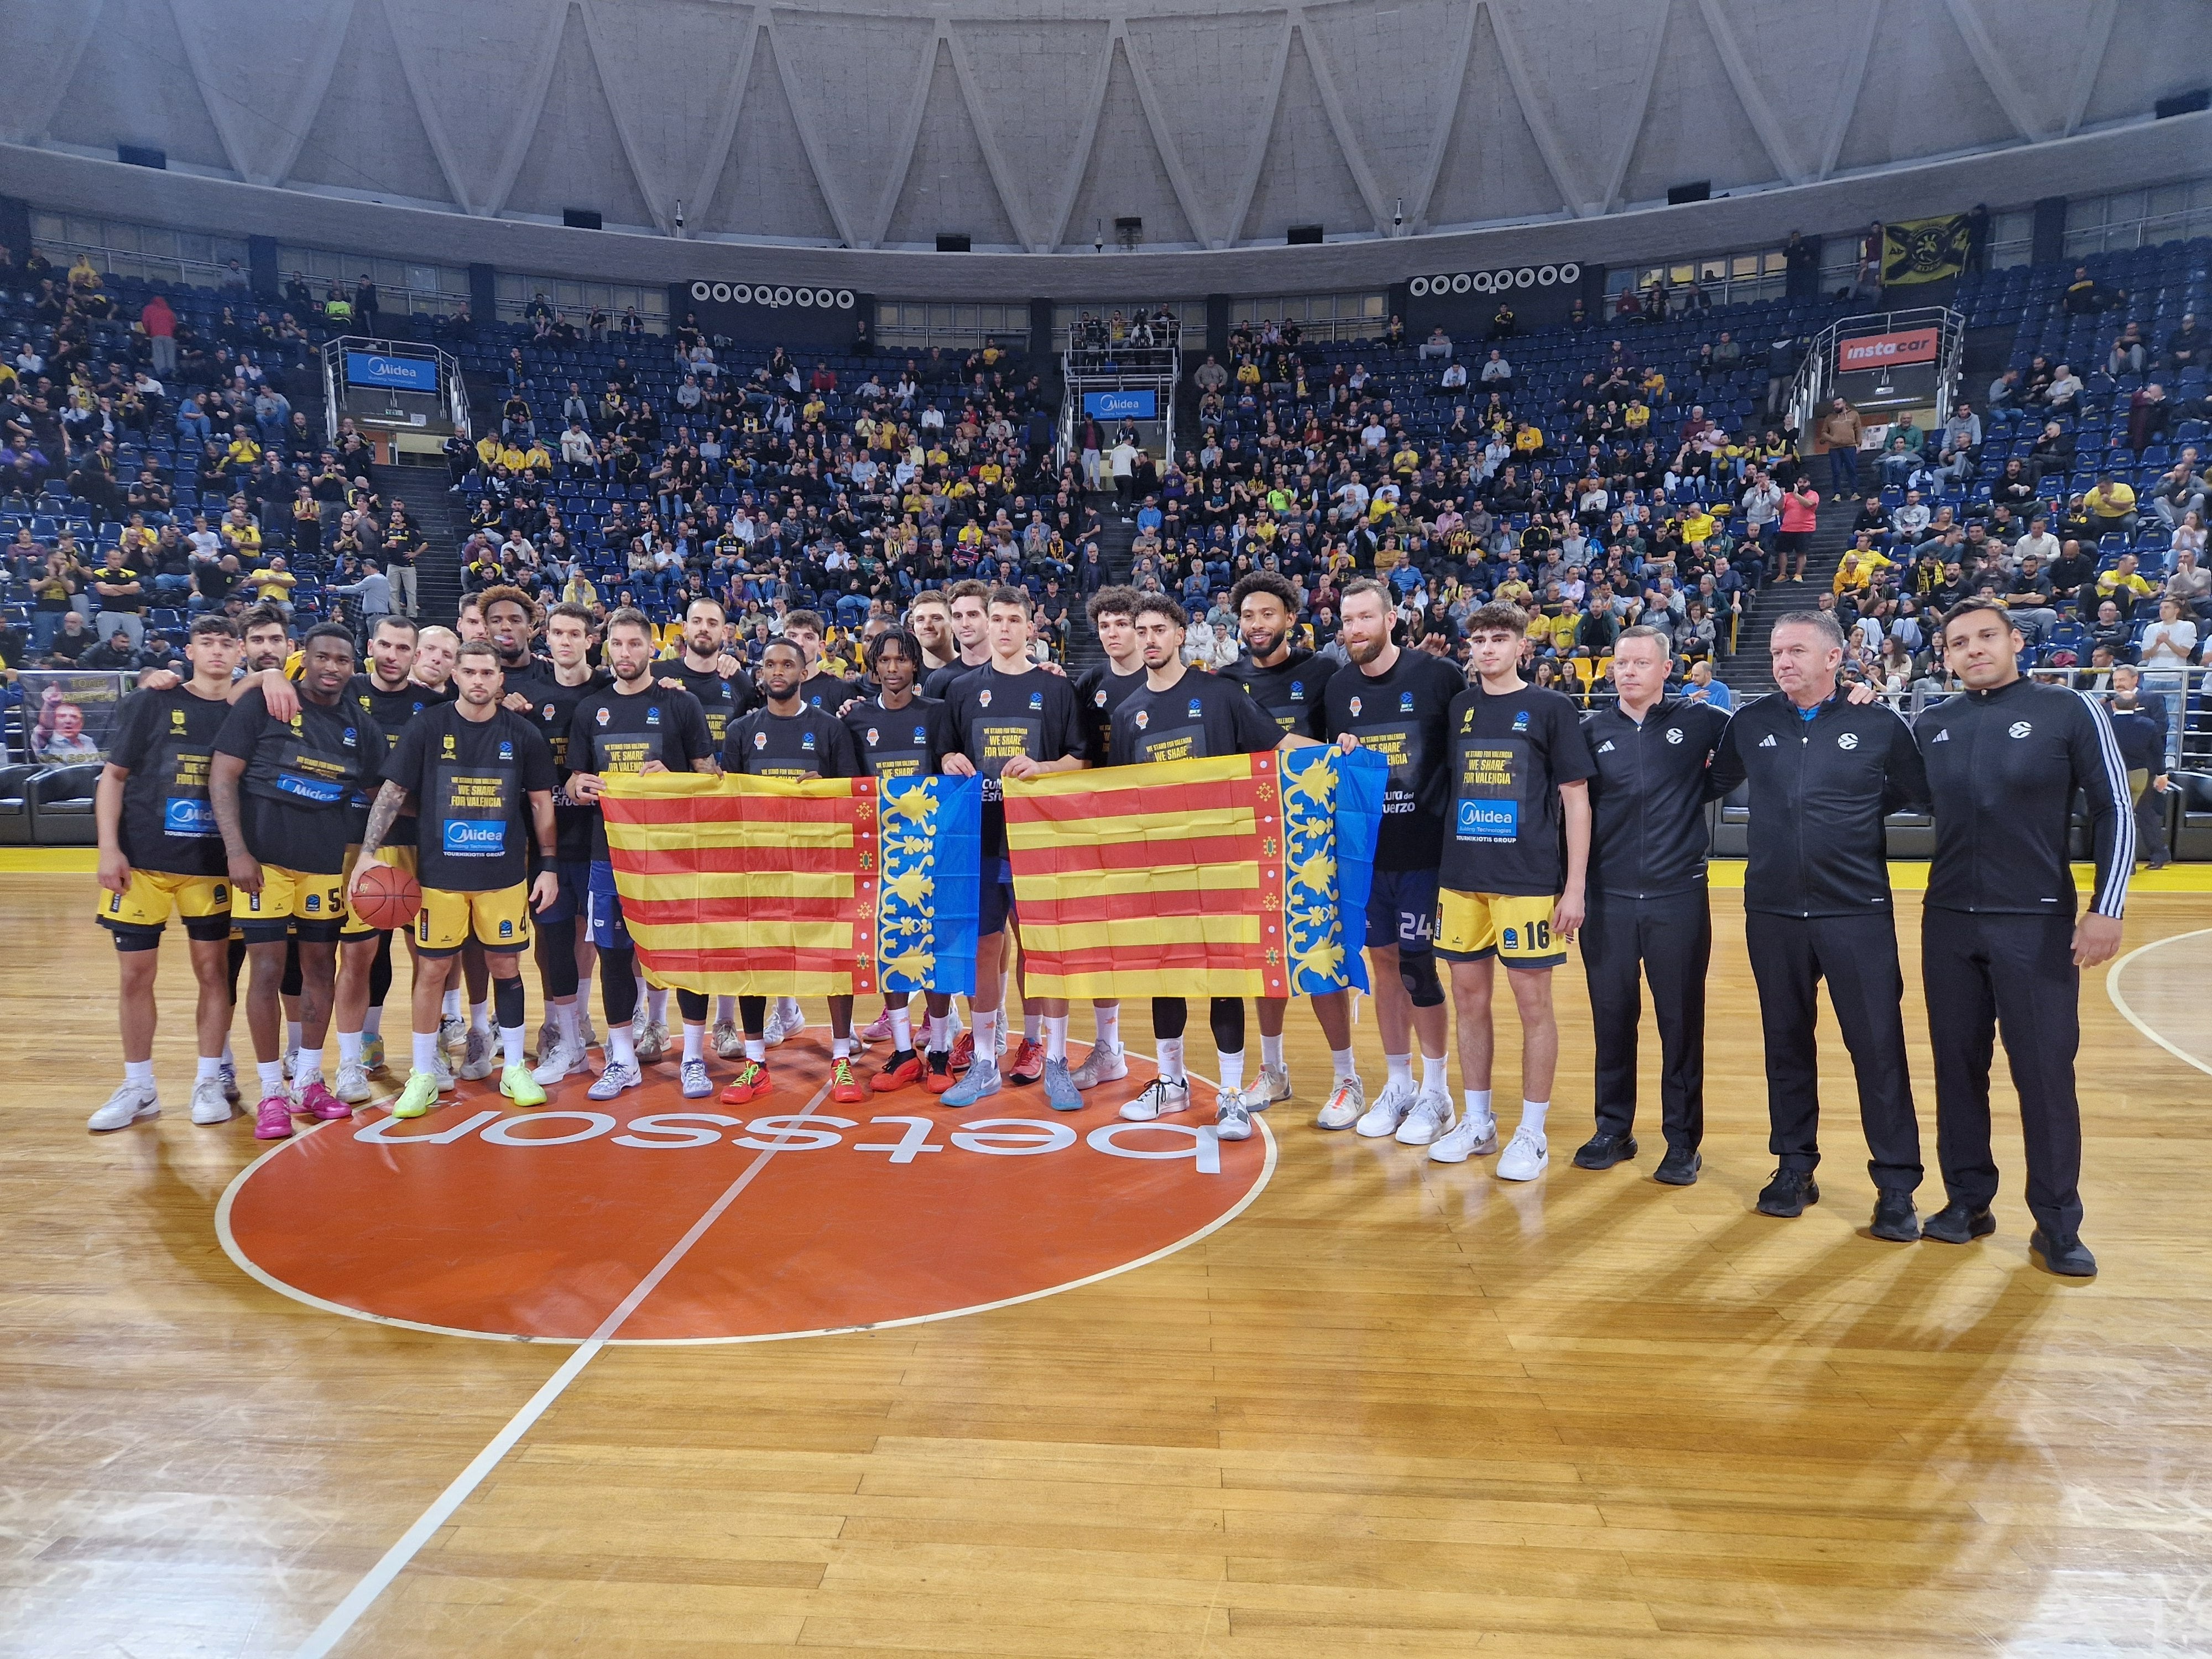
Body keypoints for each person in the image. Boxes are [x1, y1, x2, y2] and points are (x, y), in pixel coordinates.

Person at [1913, 599, 2132, 1278]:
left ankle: (2057, 1223)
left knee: (2042, 1076)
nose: (1973, 649)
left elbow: (2114, 806)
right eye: (1959, 642)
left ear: (2014, 641)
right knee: (1957, 1069)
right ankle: (1967, 1201)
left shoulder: (2068, 711)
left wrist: (2107, 905)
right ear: (1945, 656)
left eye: (1986, 637)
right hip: (1947, 920)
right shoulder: (1931, 724)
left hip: (2034, 923)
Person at [1708, 612, 1929, 1238]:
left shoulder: (1877, 721)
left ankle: (1895, 1184)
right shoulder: (1750, 723)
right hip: (1773, 913)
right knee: (1785, 1044)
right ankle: (1793, 1166)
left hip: (1854, 913)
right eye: (1777, 651)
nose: (1782, 661)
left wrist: (1855, 811)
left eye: (1796, 650)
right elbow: (1703, 783)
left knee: (1878, 1049)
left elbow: (1919, 791)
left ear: (1835, 658)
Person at [1402, 602, 1595, 1181]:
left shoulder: (1551, 708)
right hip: (1461, 879)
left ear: (1521, 647)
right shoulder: (1460, 707)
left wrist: (1575, 885)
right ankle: (1478, 1120)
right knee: (1468, 1001)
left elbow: (1575, 799)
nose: (1486, 649)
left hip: (1527, 880)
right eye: (1478, 640)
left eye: (1498, 639)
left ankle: (1531, 1132)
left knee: (1533, 1005)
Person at [1107, 593, 1310, 1141]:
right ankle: (1170, 1083)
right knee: (1165, 975)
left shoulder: (1219, 694)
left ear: (1179, 634)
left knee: (1225, 976)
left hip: (1223, 865)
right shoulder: (1125, 716)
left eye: (1158, 629)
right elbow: (1120, 801)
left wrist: (1339, 752)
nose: (1148, 638)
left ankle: (1230, 1094)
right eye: (1139, 630)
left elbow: (1280, 744)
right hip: (1160, 872)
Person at [356, 639, 560, 1119]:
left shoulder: (523, 734)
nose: (478, 681)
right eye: (469, 672)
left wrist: (548, 866)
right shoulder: (427, 726)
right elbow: (392, 792)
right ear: (455, 676)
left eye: (487, 673)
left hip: (504, 876)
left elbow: (540, 803)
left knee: (507, 969)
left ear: (499, 679)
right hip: (439, 876)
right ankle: (424, 1074)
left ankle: (512, 1066)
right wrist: (368, 853)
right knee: (430, 972)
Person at [210, 625, 389, 1139]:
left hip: (323, 865)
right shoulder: (264, 706)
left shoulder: (361, 726)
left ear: (355, 666)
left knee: (318, 969)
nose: (332, 667)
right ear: (303, 659)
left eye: (342, 659)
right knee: (266, 971)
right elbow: (222, 777)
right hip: (263, 861)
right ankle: (271, 1091)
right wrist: (237, 851)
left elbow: (386, 792)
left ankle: (309, 1078)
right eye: (323, 657)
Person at [1569, 625, 1731, 1183]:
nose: (1628, 672)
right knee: (1612, 1019)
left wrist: (1850, 693)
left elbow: (1746, 754)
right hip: (1607, 898)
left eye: (1641, 663)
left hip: (1678, 898)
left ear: (1668, 669)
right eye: (1621, 663)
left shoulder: (1703, 720)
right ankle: (1614, 1127)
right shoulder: (1591, 732)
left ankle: (1682, 1141)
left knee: (1679, 1023)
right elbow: (1573, 809)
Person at [87, 616, 247, 1132]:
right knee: (135, 976)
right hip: (143, 865)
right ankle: (139, 1086)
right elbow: (112, 778)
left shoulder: (245, 713)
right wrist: (108, 849)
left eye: (227, 644)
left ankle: (207, 1078)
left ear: (239, 651)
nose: (217, 652)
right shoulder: (154, 700)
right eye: (208, 643)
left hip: (210, 867)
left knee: (213, 975)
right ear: (191, 649)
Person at [1319, 578, 1465, 1136]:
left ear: (1390, 620)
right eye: (1347, 619)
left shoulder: (1437, 676)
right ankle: (1398, 1085)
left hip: (1425, 855)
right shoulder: (1336, 689)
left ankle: (1436, 1093)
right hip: (1367, 858)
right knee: (1382, 967)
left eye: (1364, 617)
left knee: (1418, 966)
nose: (1355, 628)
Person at [938, 585, 1090, 1108]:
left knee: (1042, 950)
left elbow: (1081, 760)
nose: (1002, 628)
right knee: (985, 948)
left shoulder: (1056, 690)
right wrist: (948, 760)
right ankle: (984, 1063)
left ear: (1031, 628)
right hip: (979, 840)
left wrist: (1045, 767)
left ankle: (1052, 1059)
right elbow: (946, 752)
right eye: (995, 619)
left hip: (1037, 842)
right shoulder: (959, 690)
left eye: (1011, 620)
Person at [562, 608, 718, 1100]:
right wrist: (578, 785)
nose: (625, 653)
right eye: (617, 644)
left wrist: (671, 780)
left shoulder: (681, 705)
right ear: (605, 647)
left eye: (635, 644)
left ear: (653, 648)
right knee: (614, 956)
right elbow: (572, 780)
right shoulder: (590, 709)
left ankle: (693, 1056)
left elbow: (709, 777)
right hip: (608, 854)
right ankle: (624, 1059)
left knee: (687, 955)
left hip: (674, 854)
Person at [1222, 571, 1361, 1121]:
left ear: (1289, 619)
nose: (1258, 625)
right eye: (1249, 616)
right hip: (1251, 837)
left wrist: (1344, 745)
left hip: (1312, 840)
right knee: (1265, 956)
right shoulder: (1224, 682)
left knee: (1322, 956)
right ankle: (1273, 1070)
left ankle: (1347, 1077)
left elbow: (1341, 741)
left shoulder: (1323, 672)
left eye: (1268, 615)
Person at [717, 637, 867, 1107]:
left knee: (833, 960)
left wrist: (827, 789)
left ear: (804, 673)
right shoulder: (742, 730)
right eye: (770, 665)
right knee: (756, 962)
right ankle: (756, 1064)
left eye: (787, 664)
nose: (777, 672)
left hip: (819, 862)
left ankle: (842, 1059)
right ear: (760, 673)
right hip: (759, 864)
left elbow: (852, 793)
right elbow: (729, 800)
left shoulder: (828, 729)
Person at [841, 627, 958, 1094]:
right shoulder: (854, 718)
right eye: (884, 661)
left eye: (902, 660)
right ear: (874, 666)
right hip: (879, 852)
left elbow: (952, 767)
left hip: (932, 851)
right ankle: (905, 1051)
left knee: (935, 952)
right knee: (891, 950)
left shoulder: (939, 713)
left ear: (915, 665)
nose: (893, 669)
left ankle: (942, 1050)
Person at [504, 601, 609, 1084]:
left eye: (575, 634)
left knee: (600, 937)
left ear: (591, 640)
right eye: (558, 634)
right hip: (544, 840)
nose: (565, 642)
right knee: (553, 938)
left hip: (600, 838)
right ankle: (563, 1033)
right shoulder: (524, 694)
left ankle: (586, 1020)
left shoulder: (610, 689)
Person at [1065, 586, 1148, 1093]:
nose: (1114, 634)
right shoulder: (1088, 683)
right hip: (1101, 823)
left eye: (1123, 624)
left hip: (1157, 823)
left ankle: (1181, 1065)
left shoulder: (1166, 678)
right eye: (1107, 626)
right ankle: (1108, 1048)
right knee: (1101, 939)